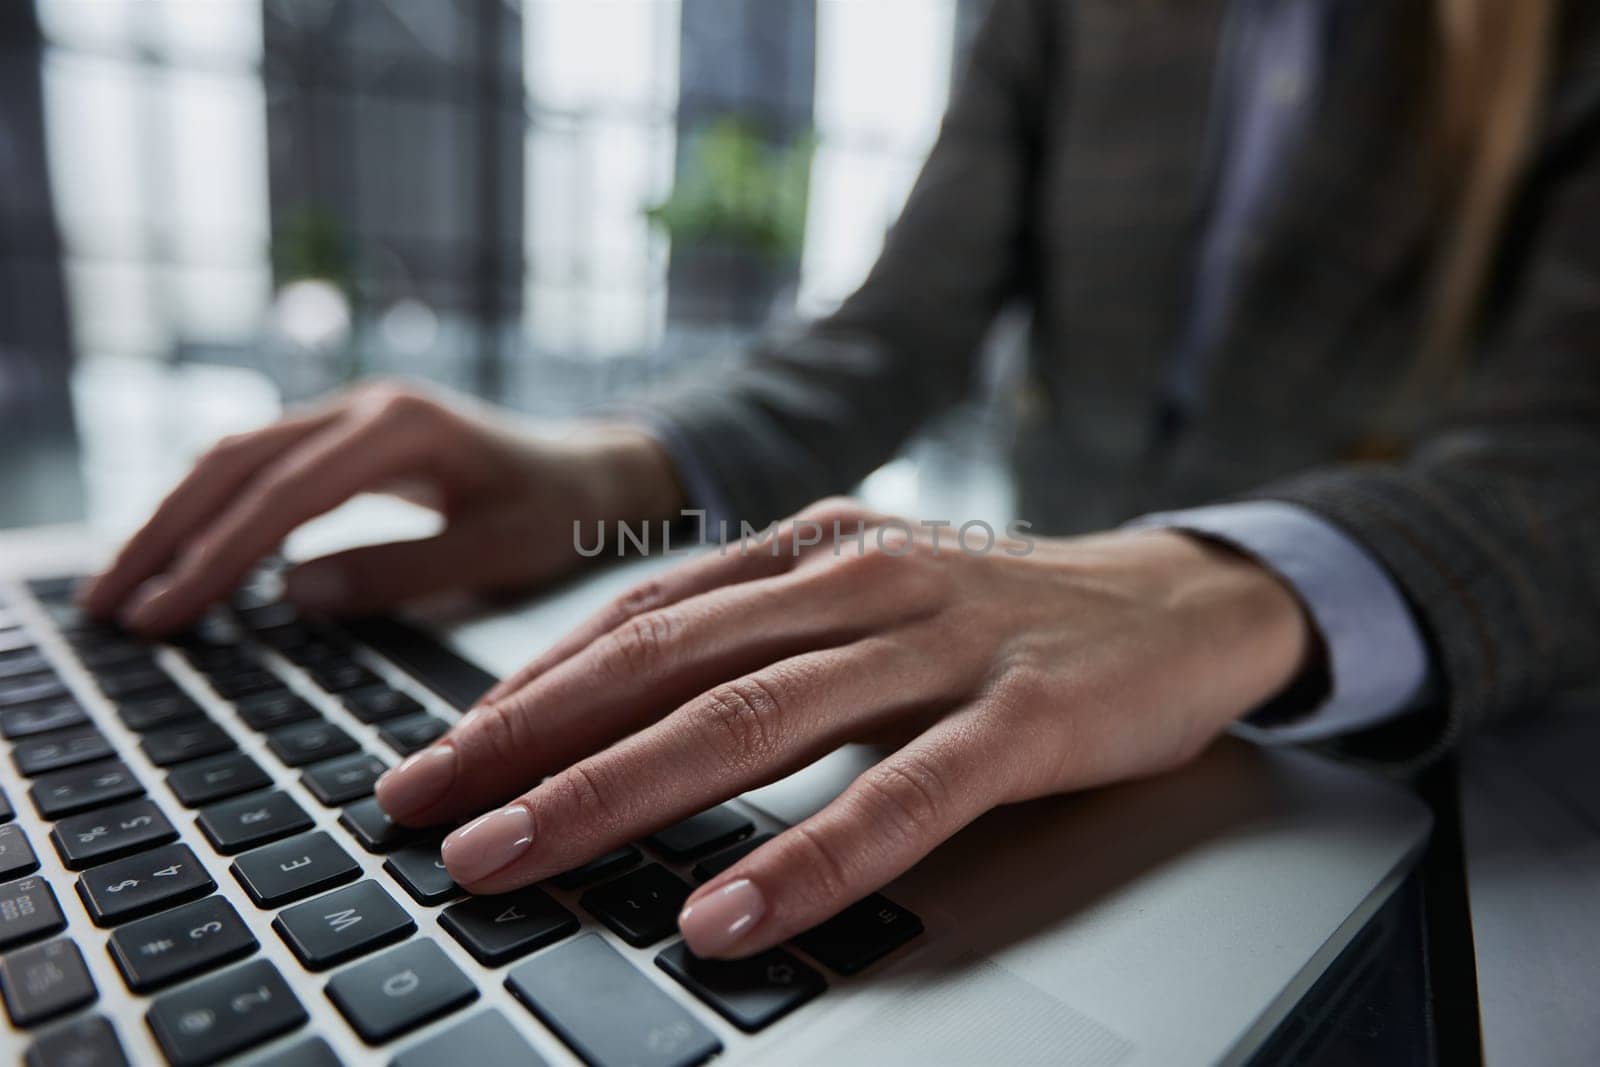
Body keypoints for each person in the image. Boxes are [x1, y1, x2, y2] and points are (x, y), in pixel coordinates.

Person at [83, 0, 1599, 962]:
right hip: (1061, 720)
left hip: (1446, 762)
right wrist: (615, 463)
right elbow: (893, 335)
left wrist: (1226, 582)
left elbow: (1568, 454)